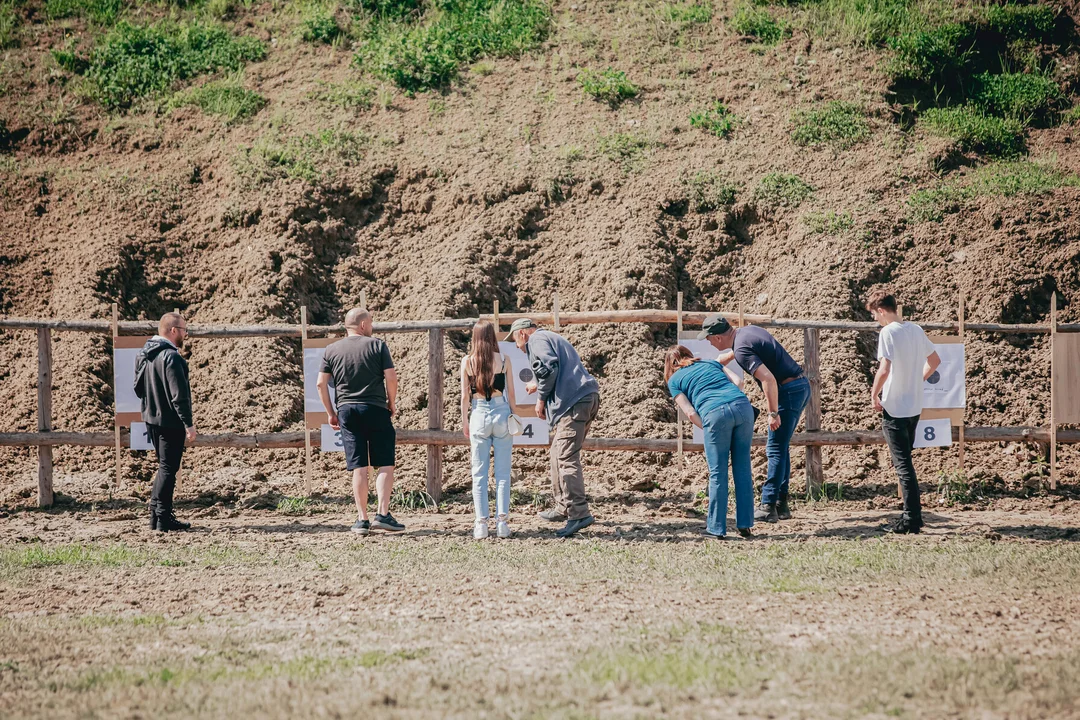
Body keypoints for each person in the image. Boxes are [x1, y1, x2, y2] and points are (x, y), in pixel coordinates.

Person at [699, 314, 808, 523]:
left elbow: (767, 378)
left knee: (774, 448)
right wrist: (720, 361)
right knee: (781, 446)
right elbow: (747, 350)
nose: (708, 342)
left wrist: (772, 412)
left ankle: (768, 505)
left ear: (718, 337)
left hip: (787, 391)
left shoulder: (740, 349)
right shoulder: (747, 332)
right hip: (799, 386)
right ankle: (780, 504)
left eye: (708, 338)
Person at [507, 318, 600, 538]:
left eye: (516, 342)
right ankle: (563, 506)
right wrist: (537, 384)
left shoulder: (536, 339)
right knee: (558, 453)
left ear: (522, 334)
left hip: (573, 403)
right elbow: (551, 369)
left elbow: (548, 368)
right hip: (582, 398)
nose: (518, 348)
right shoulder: (548, 337)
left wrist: (540, 399)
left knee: (566, 457)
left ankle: (578, 513)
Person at [317, 308, 404, 535]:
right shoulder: (377, 345)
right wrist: (391, 402)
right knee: (385, 463)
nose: (372, 327)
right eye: (372, 323)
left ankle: (361, 519)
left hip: (346, 410)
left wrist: (331, 411)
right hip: (375, 407)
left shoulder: (331, 349)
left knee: (359, 466)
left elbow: (320, 384)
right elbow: (391, 377)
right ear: (364, 325)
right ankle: (383, 514)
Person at [867, 290, 941, 534]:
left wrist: (874, 393)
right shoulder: (916, 329)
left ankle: (911, 518)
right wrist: (917, 380)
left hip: (896, 407)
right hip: (914, 406)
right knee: (906, 463)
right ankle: (915, 517)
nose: (876, 321)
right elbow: (935, 361)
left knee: (903, 466)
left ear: (881, 311)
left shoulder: (887, 332)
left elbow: (885, 368)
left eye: (874, 315)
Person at [665, 345, 755, 539]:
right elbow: (739, 382)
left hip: (715, 414)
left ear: (670, 366)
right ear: (689, 355)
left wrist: (707, 427)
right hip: (743, 407)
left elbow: (689, 412)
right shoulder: (711, 363)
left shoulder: (674, 380)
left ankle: (716, 528)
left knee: (718, 472)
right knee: (743, 468)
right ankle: (746, 524)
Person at [134, 312, 196, 532]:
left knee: (163, 468)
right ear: (173, 330)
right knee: (169, 469)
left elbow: (138, 388)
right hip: (169, 421)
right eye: (184, 330)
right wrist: (188, 424)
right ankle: (163, 517)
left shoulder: (145, 353)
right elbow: (179, 396)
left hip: (151, 418)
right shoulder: (172, 357)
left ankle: (156, 516)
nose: (186, 335)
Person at [461, 321, 518, 539]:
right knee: (503, 473)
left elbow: (465, 397)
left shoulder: (467, 361)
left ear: (474, 337)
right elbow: (511, 395)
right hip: (502, 413)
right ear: (492, 336)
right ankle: (502, 523)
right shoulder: (504, 360)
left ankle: (481, 524)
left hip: (479, 414)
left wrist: (464, 421)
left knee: (479, 474)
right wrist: (514, 415)